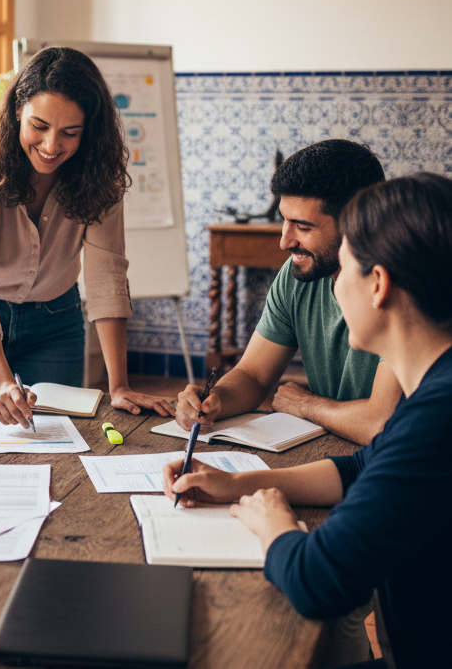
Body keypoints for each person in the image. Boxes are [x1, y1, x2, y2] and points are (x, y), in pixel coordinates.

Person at [164, 173, 452, 668]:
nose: (335, 286)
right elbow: (364, 468)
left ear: (378, 284)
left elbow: (317, 582)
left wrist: (273, 521)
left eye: (342, 268)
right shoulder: (434, 392)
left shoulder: (437, 419)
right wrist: (237, 484)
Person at [0, 46, 174, 428]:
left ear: (88, 131)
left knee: (53, 438)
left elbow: (106, 276)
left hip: (53, 324)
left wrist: (120, 385)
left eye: (69, 133)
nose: (50, 146)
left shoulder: (102, 178)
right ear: (17, 112)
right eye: (39, 126)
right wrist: (1, 382)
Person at [175, 139, 402, 445]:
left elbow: (379, 424)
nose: (285, 241)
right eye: (284, 219)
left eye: (303, 227)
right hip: (333, 445)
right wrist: (215, 400)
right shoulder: (297, 275)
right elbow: (254, 375)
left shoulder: (403, 288)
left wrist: (304, 404)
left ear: (356, 221)